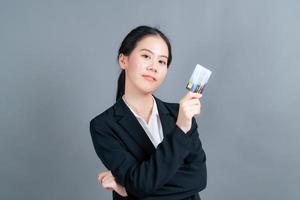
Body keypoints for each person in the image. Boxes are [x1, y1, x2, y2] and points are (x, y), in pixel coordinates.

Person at [90, 25, 207, 200]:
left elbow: (198, 179)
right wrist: (180, 129)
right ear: (124, 60)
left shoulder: (180, 113)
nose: (154, 67)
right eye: (146, 56)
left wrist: (128, 189)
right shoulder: (103, 126)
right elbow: (141, 184)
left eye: (162, 61)